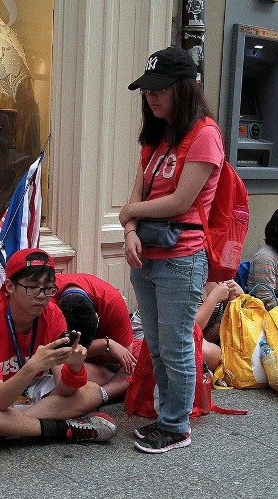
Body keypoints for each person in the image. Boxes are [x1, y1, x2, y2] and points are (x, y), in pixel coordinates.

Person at [120, 46, 222, 453]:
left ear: (184, 88)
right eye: (147, 90)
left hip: (181, 258)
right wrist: (129, 229)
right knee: (158, 343)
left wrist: (130, 212)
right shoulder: (158, 138)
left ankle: (176, 425)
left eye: (159, 89)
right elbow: (137, 194)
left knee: (177, 343)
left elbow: (181, 202)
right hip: (145, 255)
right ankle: (168, 416)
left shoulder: (205, 135)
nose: (151, 96)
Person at [0, 248, 117, 443]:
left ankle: (5, 430)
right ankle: (58, 429)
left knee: (91, 391)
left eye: (49, 289)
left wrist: (74, 367)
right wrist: (33, 366)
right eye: (33, 287)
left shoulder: (53, 314)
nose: (42, 296)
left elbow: (64, 390)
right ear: (10, 287)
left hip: (31, 391)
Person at [53, 273, 136, 403]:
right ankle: (104, 392)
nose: (80, 349)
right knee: (58, 366)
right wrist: (105, 344)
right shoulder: (46, 299)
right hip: (64, 361)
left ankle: (100, 394)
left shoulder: (112, 301)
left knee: (136, 367)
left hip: (96, 360)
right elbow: (54, 355)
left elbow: (124, 356)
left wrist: (81, 352)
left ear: (98, 318)